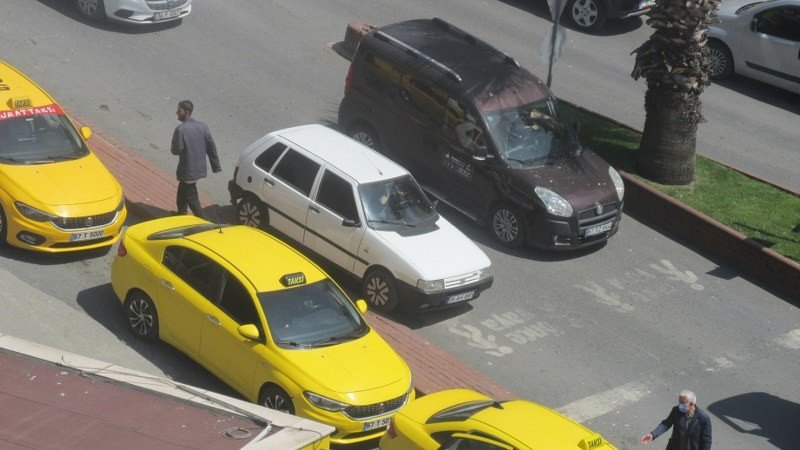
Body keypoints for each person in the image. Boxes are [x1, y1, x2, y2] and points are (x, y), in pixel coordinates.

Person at [170, 100, 221, 219]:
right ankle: (181, 213)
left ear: (186, 112)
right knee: (182, 190)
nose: (177, 112)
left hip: (188, 171)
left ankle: (205, 221)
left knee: (191, 197)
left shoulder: (180, 130)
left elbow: (176, 150)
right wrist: (216, 165)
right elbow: (211, 146)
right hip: (199, 169)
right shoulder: (202, 126)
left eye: (179, 110)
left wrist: (175, 145)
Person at [641, 390, 712, 450]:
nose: (680, 405)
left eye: (683, 403)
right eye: (679, 402)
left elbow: (706, 441)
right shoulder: (676, 410)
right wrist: (653, 435)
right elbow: (666, 424)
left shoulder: (703, 418)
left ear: (692, 404)